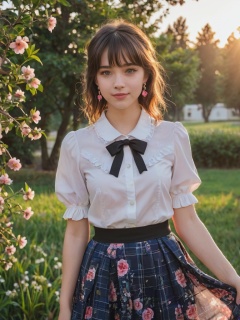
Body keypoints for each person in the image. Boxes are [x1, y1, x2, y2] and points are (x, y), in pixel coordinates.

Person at [55, 20, 240, 320]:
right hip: (103, 272)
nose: (118, 82)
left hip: (162, 268)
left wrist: (234, 280)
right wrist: (64, 307)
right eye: (106, 72)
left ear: (146, 76)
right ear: (95, 80)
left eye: (129, 70)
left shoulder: (172, 136)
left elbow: (188, 221)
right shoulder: (77, 145)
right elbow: (77, 232)